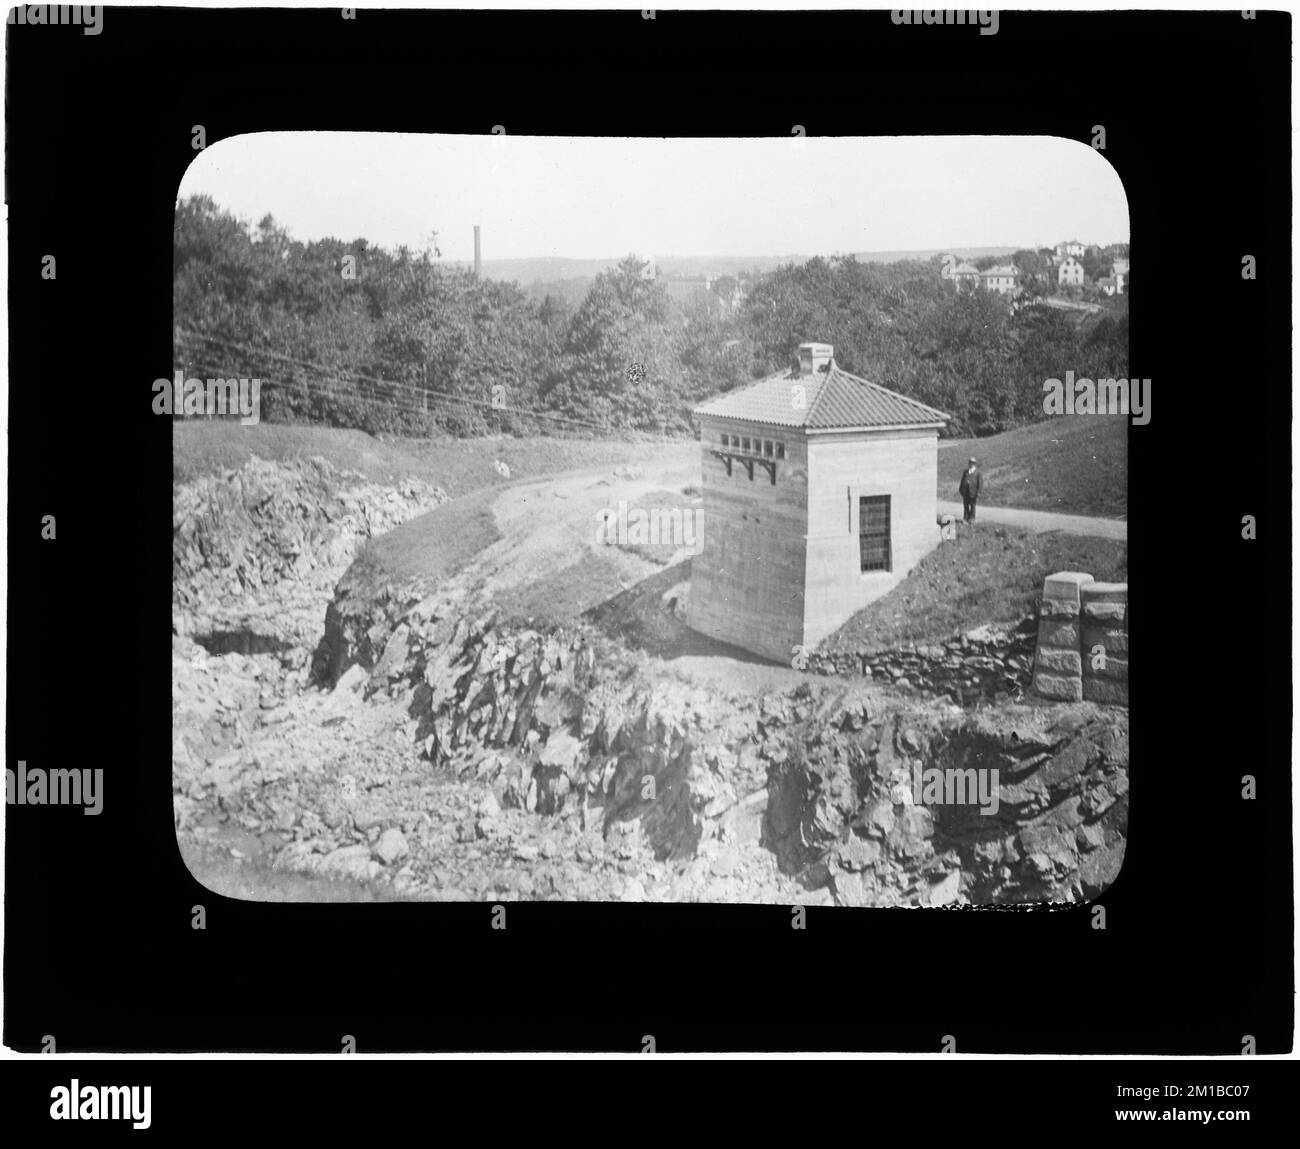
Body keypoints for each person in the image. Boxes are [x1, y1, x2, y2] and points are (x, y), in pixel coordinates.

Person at [959, 456, 981, 524]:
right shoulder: (966, 471)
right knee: (965, 505)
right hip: (965, 491)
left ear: (975, 464)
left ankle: (972, 519)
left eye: (972, 463)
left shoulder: (978, 473)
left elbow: (980, 483)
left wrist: (979, 492)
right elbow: (962, 480)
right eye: (970, 462)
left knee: (972, 506)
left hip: (973, 492)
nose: (971, 464)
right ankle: (965, 519)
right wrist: (960, 489)